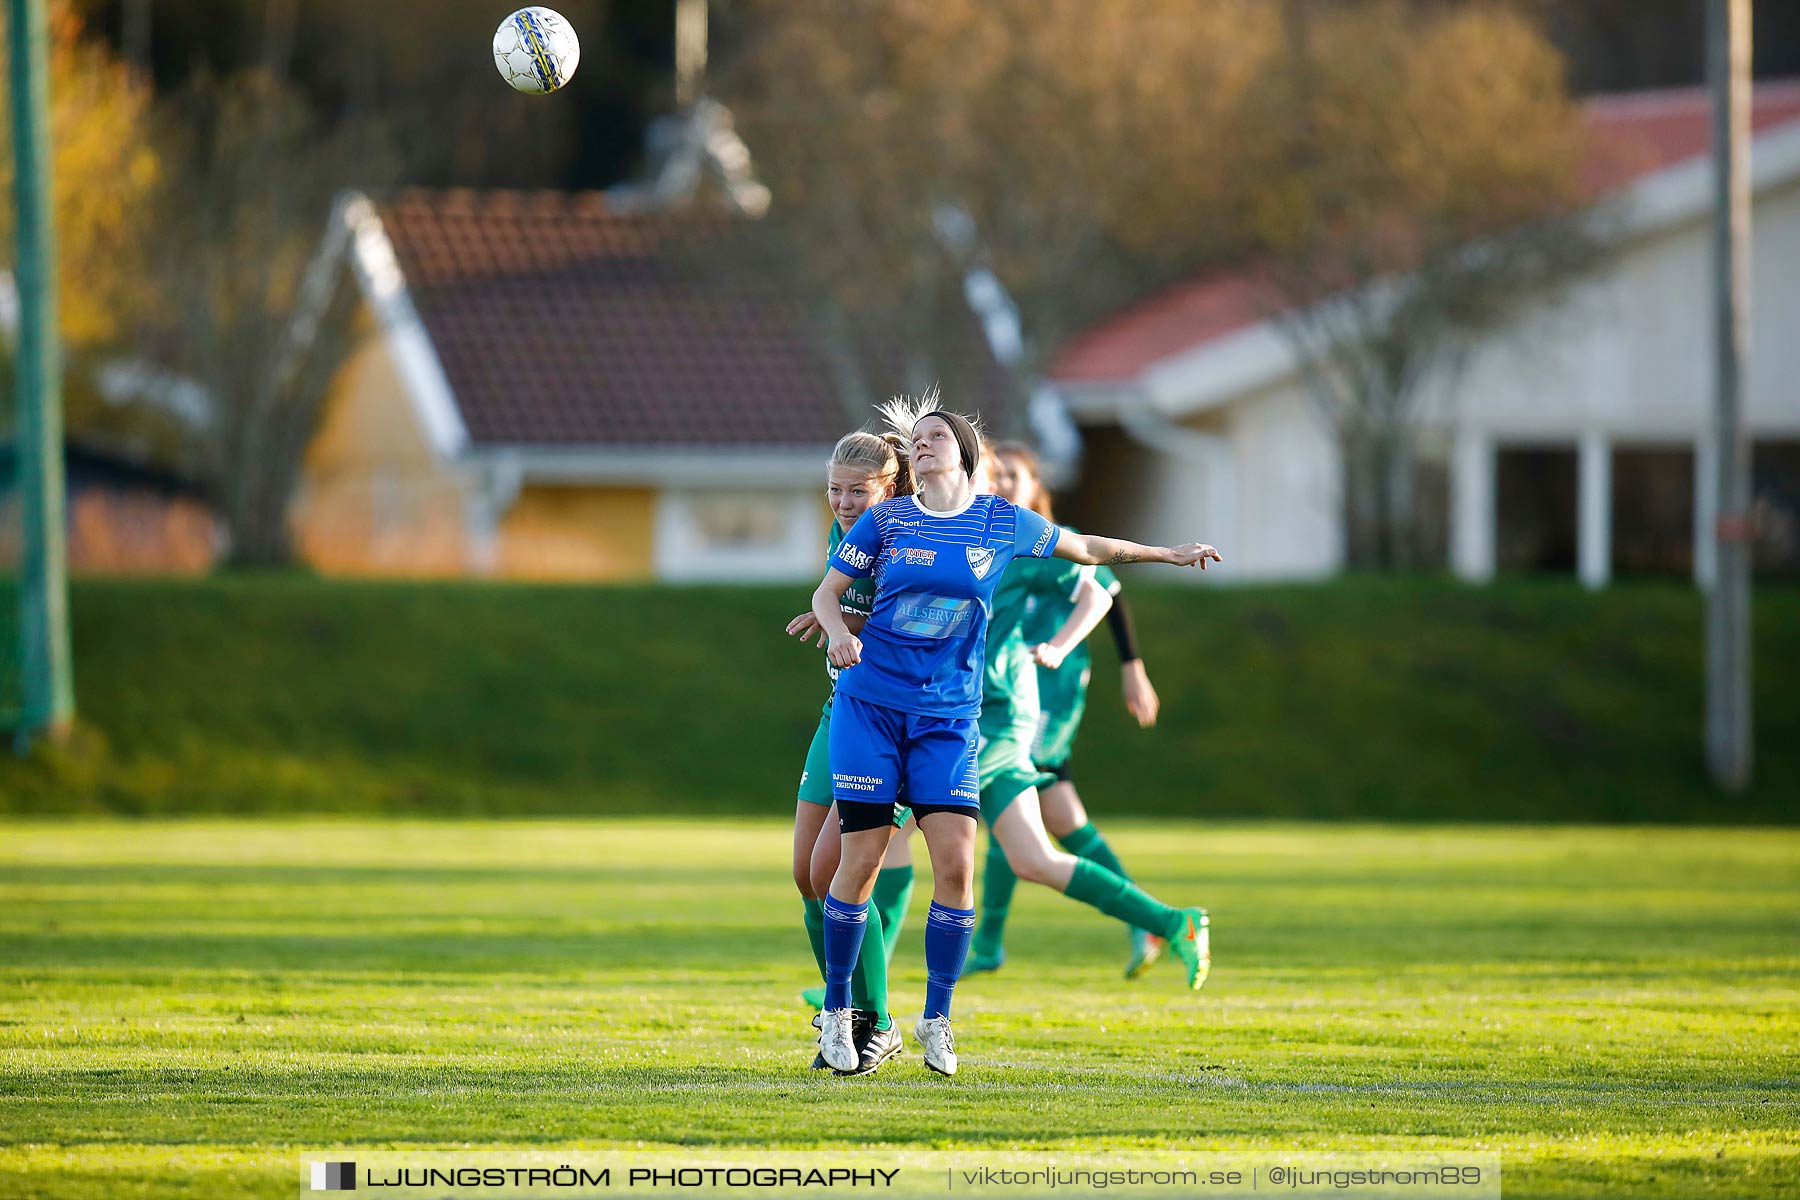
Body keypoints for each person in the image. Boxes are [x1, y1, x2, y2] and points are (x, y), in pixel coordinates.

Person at [809, 391, 1220, 1077]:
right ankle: (842, 1012)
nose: (925, 442)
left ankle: (936, 1017)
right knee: (865, 861)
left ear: (965, 456)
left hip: (955, 718)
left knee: (963, 866)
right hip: (873, 708)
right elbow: (832, 593)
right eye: (921, 437)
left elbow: (1088, 550)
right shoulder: (884, 519)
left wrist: (1167, 553)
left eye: (939, 435)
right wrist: (832, 633)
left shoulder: (1002, 523)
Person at [967, 441, 1169, 979]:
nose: (1004, 484)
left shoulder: (1042, 540)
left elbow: (1107, 590)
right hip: (999, 688)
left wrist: (1132, 665)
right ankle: (1147, 919)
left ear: (1037, 485)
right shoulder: (980, 537)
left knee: (1012, 801)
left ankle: (989, 942)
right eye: (997, 474)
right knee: (1056, 818)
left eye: (1013, 475)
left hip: (1039, 694)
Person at [787, 429, 918, 1076]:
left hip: (892, 722)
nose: (841, 501)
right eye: (834, 488)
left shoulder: (911, 539)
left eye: (856, 490)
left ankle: (876, 1021)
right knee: (805, 876)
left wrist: (849, 626)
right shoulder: (847, 534)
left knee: (835, 874)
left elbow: (910, 628)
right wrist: (836, 620)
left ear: (889, 488)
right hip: (839, 711)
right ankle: (853, 1013)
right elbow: (834, 596)